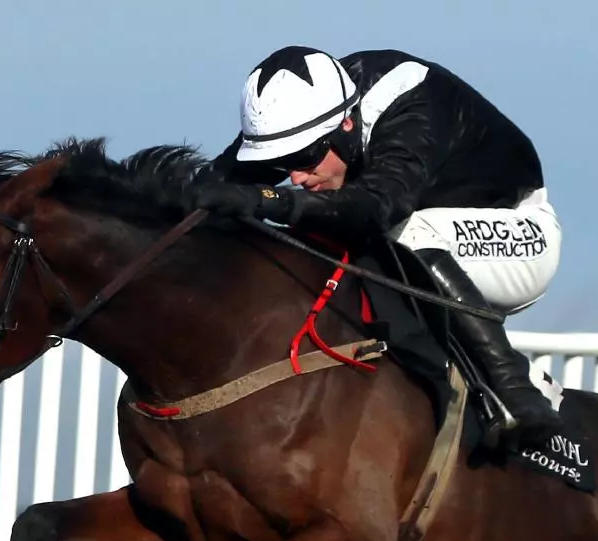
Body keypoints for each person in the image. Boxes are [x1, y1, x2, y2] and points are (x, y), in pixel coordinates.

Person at [186, 45, 564, 447]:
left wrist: (269, 200)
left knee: (405, 232)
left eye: (306, 157)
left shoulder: (412, 108)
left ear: (346, 125)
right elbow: (212, 185)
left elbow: (372, 210)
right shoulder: (308, 113)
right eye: (282, 164)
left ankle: (515, 390)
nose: (295, 177)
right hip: (430, 236)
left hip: (520, 234)